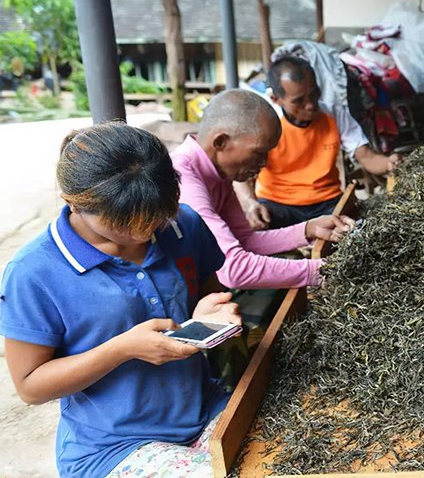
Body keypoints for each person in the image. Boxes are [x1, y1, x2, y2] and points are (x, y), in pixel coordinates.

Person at [1, 122, 242, 477]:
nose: (145, 232)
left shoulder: (180, 225)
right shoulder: (34, 272)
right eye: (126, 224)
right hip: (114, 445)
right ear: (75, 203)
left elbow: (208, 296)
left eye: (154, 217)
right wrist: (122, 349)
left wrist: (210, 316)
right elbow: (31, 386)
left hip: (204, 407)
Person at [172, 89, 355, 290]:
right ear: (220, 142)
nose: (264, 163)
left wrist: (307, 229)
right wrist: (329, 269)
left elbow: (245, 240)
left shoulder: (219, 173)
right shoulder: (182, 177)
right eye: (259, 153)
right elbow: (233, 268)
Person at [235, 56, 400, 230]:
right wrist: (249, 204)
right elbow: (239, 175)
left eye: (314, 94)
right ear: (277, 99)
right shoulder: (265, 123)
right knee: (252, 226)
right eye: (299, 101)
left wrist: (389, 163)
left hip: (327, 204)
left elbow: (367, 157)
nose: (310, 105)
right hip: (278, 205)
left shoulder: (335, 115)